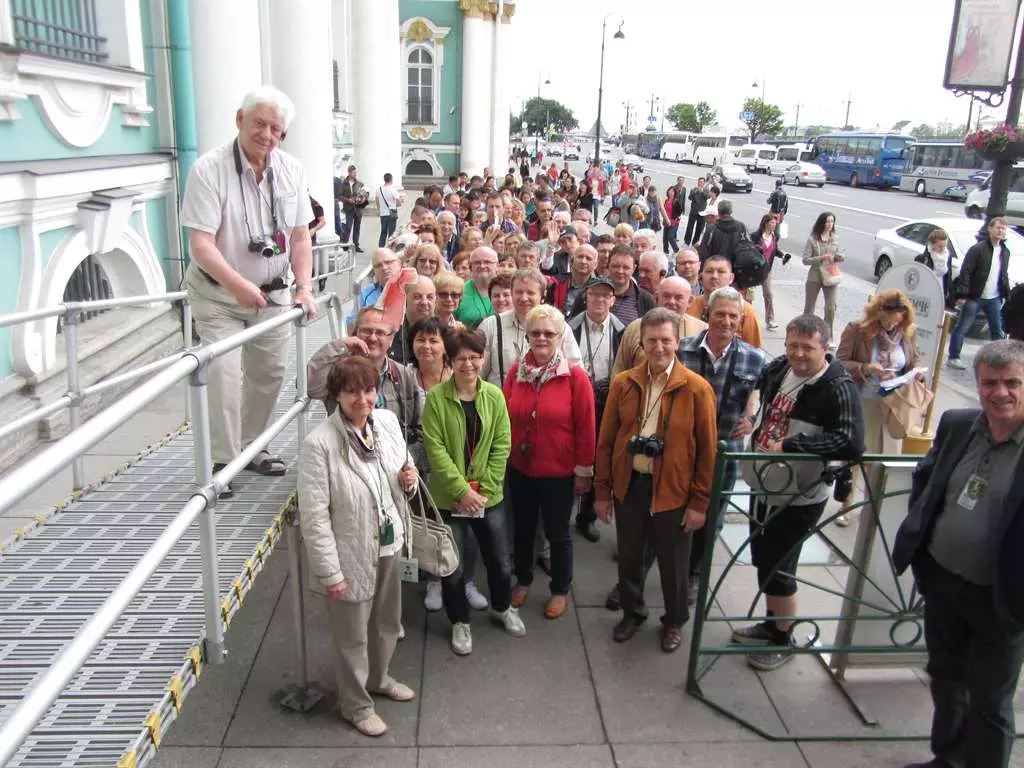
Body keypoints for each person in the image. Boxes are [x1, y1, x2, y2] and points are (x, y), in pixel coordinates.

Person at [181, 86, 318, 498]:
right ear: (240, 120)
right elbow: (201, 244)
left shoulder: (291, 170)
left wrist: (305, 287)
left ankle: (252, 446)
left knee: (269, 373)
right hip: (218, 294)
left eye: (276, 129)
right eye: (260, 123)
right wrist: (236, 284)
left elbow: (300, 237)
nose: (267, 135)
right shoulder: (208, 170)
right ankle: (223, 462)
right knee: (222, 373)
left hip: (273, 295)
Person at [894, 339, 1024, 768]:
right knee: (946, 680)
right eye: (990, 383)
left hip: (1001, 599)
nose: (1000, 392)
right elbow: (927, 485)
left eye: (1012, 383)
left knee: (990, 702)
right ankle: (948, 759)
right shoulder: (958, 425)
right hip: (944, 582)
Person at [731, 314, 864, 671]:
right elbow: (760, 384)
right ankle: (771, 623)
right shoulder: (780, 367)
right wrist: (751, 415)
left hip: (798, 494)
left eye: (808, 347)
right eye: (793, 345)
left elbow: (851, 441)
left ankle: (782, 639)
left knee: (780, 566)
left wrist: (792, 444)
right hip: (765, 483)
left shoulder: (838, 386)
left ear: (825, 347)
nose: (799, 354)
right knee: (764, 559)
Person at [297, 356, 418, 737]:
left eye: (367, 390)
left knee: (387, 622)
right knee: (351, 637)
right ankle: (356, 705)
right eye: (352, 392)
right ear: (337, 395)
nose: (362, 399)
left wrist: (409, 480)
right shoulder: (319, 445)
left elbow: (403, 474)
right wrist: (330, 572)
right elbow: (314, 517)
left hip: (389, 542)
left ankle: (379, 678)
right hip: (349, 554)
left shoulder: (385, 422)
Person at [595, 307, 718, 652]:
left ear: (677, 342)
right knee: (630, 557)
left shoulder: (697, 389)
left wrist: (699, 502)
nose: (659, 347)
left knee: (674, 563)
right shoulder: (624, 383)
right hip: (631, 484)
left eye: (665, 340)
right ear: (642, 344)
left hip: (675, 490)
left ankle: (674, 621)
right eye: (651, 341)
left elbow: (708, 452)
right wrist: (602, 491)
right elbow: (606, 440)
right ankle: (632, 613)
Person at [422, 327, 525, 655]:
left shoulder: (494, 396)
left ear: (483, 358)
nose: (468, 364)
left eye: (474, 357)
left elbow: (502, 443)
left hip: (488, 497)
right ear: (450, 361)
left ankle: (503, 607)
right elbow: (435, 450)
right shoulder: (436, 399)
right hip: (449, 498)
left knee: (499, 559)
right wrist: (462, 491)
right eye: (460, 358)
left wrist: (487, 488)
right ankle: (460, 621)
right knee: (451, 564)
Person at [505, 305, 596, 620]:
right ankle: (523, 579)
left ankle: (560, 588)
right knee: (523, 530)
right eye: (535, 333)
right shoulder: (516, 372)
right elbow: (504, 417)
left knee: (558, 533)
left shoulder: (575, 377)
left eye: (549, 333)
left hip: (558, 472)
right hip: (521, 469)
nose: (542, 338)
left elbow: (587, 428)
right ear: (527, 336)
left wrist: (584, 471)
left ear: (560, 337)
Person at [679, 287, 768, 598]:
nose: (726, 321)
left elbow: (766, 396)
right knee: (675, 507)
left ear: (741, 319)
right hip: (685, 448)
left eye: (733, 316)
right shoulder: (683, 350)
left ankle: (694, 573)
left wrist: (753, 419)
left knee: (712, 514)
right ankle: (669, 564)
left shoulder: (755, 358)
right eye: (720, 314)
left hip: (725, 451)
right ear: (707, 314)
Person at [835, 290, 921, 526]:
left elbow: (913, 360)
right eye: (889, 318)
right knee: (857, 453)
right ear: (878, 312)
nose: (893, 324)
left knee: (886, 458)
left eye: (898, 319)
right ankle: (846, 504)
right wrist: (866, 368)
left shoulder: (907, 332)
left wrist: (915, 375)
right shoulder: (858, 329)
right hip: (864, 399)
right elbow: (839, 362)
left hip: (894, 403)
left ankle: (873, 505)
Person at [479, 268, 582, 387]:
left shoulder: (559, 326)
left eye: (530, 293)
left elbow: (576, 372)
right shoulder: (491, 325)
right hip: (501, 397)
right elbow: (478, 373)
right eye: (519, 292)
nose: (524, 298)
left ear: (543, 295)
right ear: (512, 293)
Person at [947, 216, 1012, 370]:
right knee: (963, 327)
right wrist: (963, 294)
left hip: (994, 298)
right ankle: (954, 357)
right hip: (975, 297)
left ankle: (999, 360)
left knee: (997, 330)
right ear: (990, 229)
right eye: (998, 227)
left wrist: (1005, 293)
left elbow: (1003, 273)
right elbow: (966, 271)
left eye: (1003, 228)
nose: (1000, 231)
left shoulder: (1005, 251)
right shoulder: (978, 249)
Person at [612, 276, 707, 377]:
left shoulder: (702, 330)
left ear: (690, 301)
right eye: (666, 296)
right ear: (656, 297)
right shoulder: (636, 328)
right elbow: (619, 371)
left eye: (678, 297)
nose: (671, 302)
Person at [687, 256, 762, 348]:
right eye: (709, 271)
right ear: (701, 276)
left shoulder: (746, 311)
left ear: (731, 278)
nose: (714, 276)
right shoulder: (689, 306)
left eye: (721, 272)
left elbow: (753, 350)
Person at [569, 245, 655, 323]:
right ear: (608, 265)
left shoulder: (645, 300)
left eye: (626, 267)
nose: (620, 271)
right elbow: (573, 326)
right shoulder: (587, 294)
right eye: (615, 266)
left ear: (634, 268)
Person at [802, 211, 845, 343]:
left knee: (831, 307)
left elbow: (838, 254)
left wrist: (839, 257)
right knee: (809, 307)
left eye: (832, 222)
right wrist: (821, 258)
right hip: (815, 275)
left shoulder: (835, 238)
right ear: (822, 223)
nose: (830, 224)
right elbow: (805, 260)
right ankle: (806, 333)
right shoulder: (812, 239)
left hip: (830, 274)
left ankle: (828, 337)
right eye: (827, 221)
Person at [387, 274, 436, 365]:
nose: (424, 302)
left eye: (429, 297)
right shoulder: (390, 333)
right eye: (417, 297)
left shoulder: (444, 334)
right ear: (405, 298)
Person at [347, 247, 401, 326]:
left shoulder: (411, 288)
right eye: (378, 266)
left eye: (388, 262)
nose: (384, 268)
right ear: (374, 271)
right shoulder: (367, 294)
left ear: (399, 264)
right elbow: (350, 324)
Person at [548, 244, 597, 316]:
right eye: (580, 257)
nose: (583, 261)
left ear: (595, 265)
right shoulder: (556, 283)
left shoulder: (599, 288)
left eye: (588, 258)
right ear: (572, 260)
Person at [454, 246, 497, 327]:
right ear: (471, 266)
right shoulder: (458, 291)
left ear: (497, 265)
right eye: (477, 262)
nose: (482, 266)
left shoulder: (507, 290)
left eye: (487, 262)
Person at [698, 200, 747, 266]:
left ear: (718, 212)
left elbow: (704, 252)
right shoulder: (741, 226)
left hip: (716, 266)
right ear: (731, 211)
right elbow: (745, 247)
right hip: (734, 266)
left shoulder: (711, 229)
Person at [754, 214, 781, 330]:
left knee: (768, 294)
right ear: (765, 223)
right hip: (754, 270)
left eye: (775, 223)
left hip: (766, 270)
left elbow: (775, 250)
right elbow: (750, 249)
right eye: (772, 222)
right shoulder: (756, 236)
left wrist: (782, 255)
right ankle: (745, 318)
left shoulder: (774, 236)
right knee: (749, 296)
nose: (774, 225)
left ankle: (770, 320)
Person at [914, 227, 953, 306]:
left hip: (940, 289)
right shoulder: (924, 257)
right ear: (932, 244)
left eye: (945, 245)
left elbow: (948, 275)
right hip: (926, 290)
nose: (943, 248)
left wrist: (948, 291)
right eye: (940, 246)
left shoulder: (948, 255)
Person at [337, 164, 367, 253]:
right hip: (349, 208)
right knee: (348, 227)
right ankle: (345, 244)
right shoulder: (343, 184)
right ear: (349, 173)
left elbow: (365, 194)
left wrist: (361, 199)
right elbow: (339, 196)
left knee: (357, 228)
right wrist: (348, 200)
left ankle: (356, 245)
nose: (355, 174)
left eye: (355, 172)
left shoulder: (360, 184)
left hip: (358, 209)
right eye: (353, 172)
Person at [376, 173, 401, 247]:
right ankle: (390, 248)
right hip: (391, 214)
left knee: (383, 232)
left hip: (383, 214)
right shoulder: (393, 190)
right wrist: (393, 205)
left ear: (384, 179)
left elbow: (377, 201)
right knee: (391, 233)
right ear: (391, 179)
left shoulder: (379, 190)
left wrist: (380, 209)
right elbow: (399, 203)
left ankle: (381, 248)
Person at [685, 177, 708, 246]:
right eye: (699, 182)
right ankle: (687, 241)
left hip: (702, 212)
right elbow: (690, 198)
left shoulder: (706, 190)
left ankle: (695, 242)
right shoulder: (694, 189)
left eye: (702, 182)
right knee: (690, 227)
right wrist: (695, 192)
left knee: (699, 228)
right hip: (693, 211)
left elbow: (707, 197)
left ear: (704, 183)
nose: (700, 183)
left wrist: (702, 192)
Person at [663, 186, 681, 254]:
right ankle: (666, 252)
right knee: (665, 238)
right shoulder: (666, 200)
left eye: (672, 191)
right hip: (666, 221)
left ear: (675, 193)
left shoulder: (676, 201)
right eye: (670, 191)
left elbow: (680, 211)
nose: (671, 192)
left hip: (674, 222)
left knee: (670, 237)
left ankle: (676, 251)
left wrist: (675, 218)